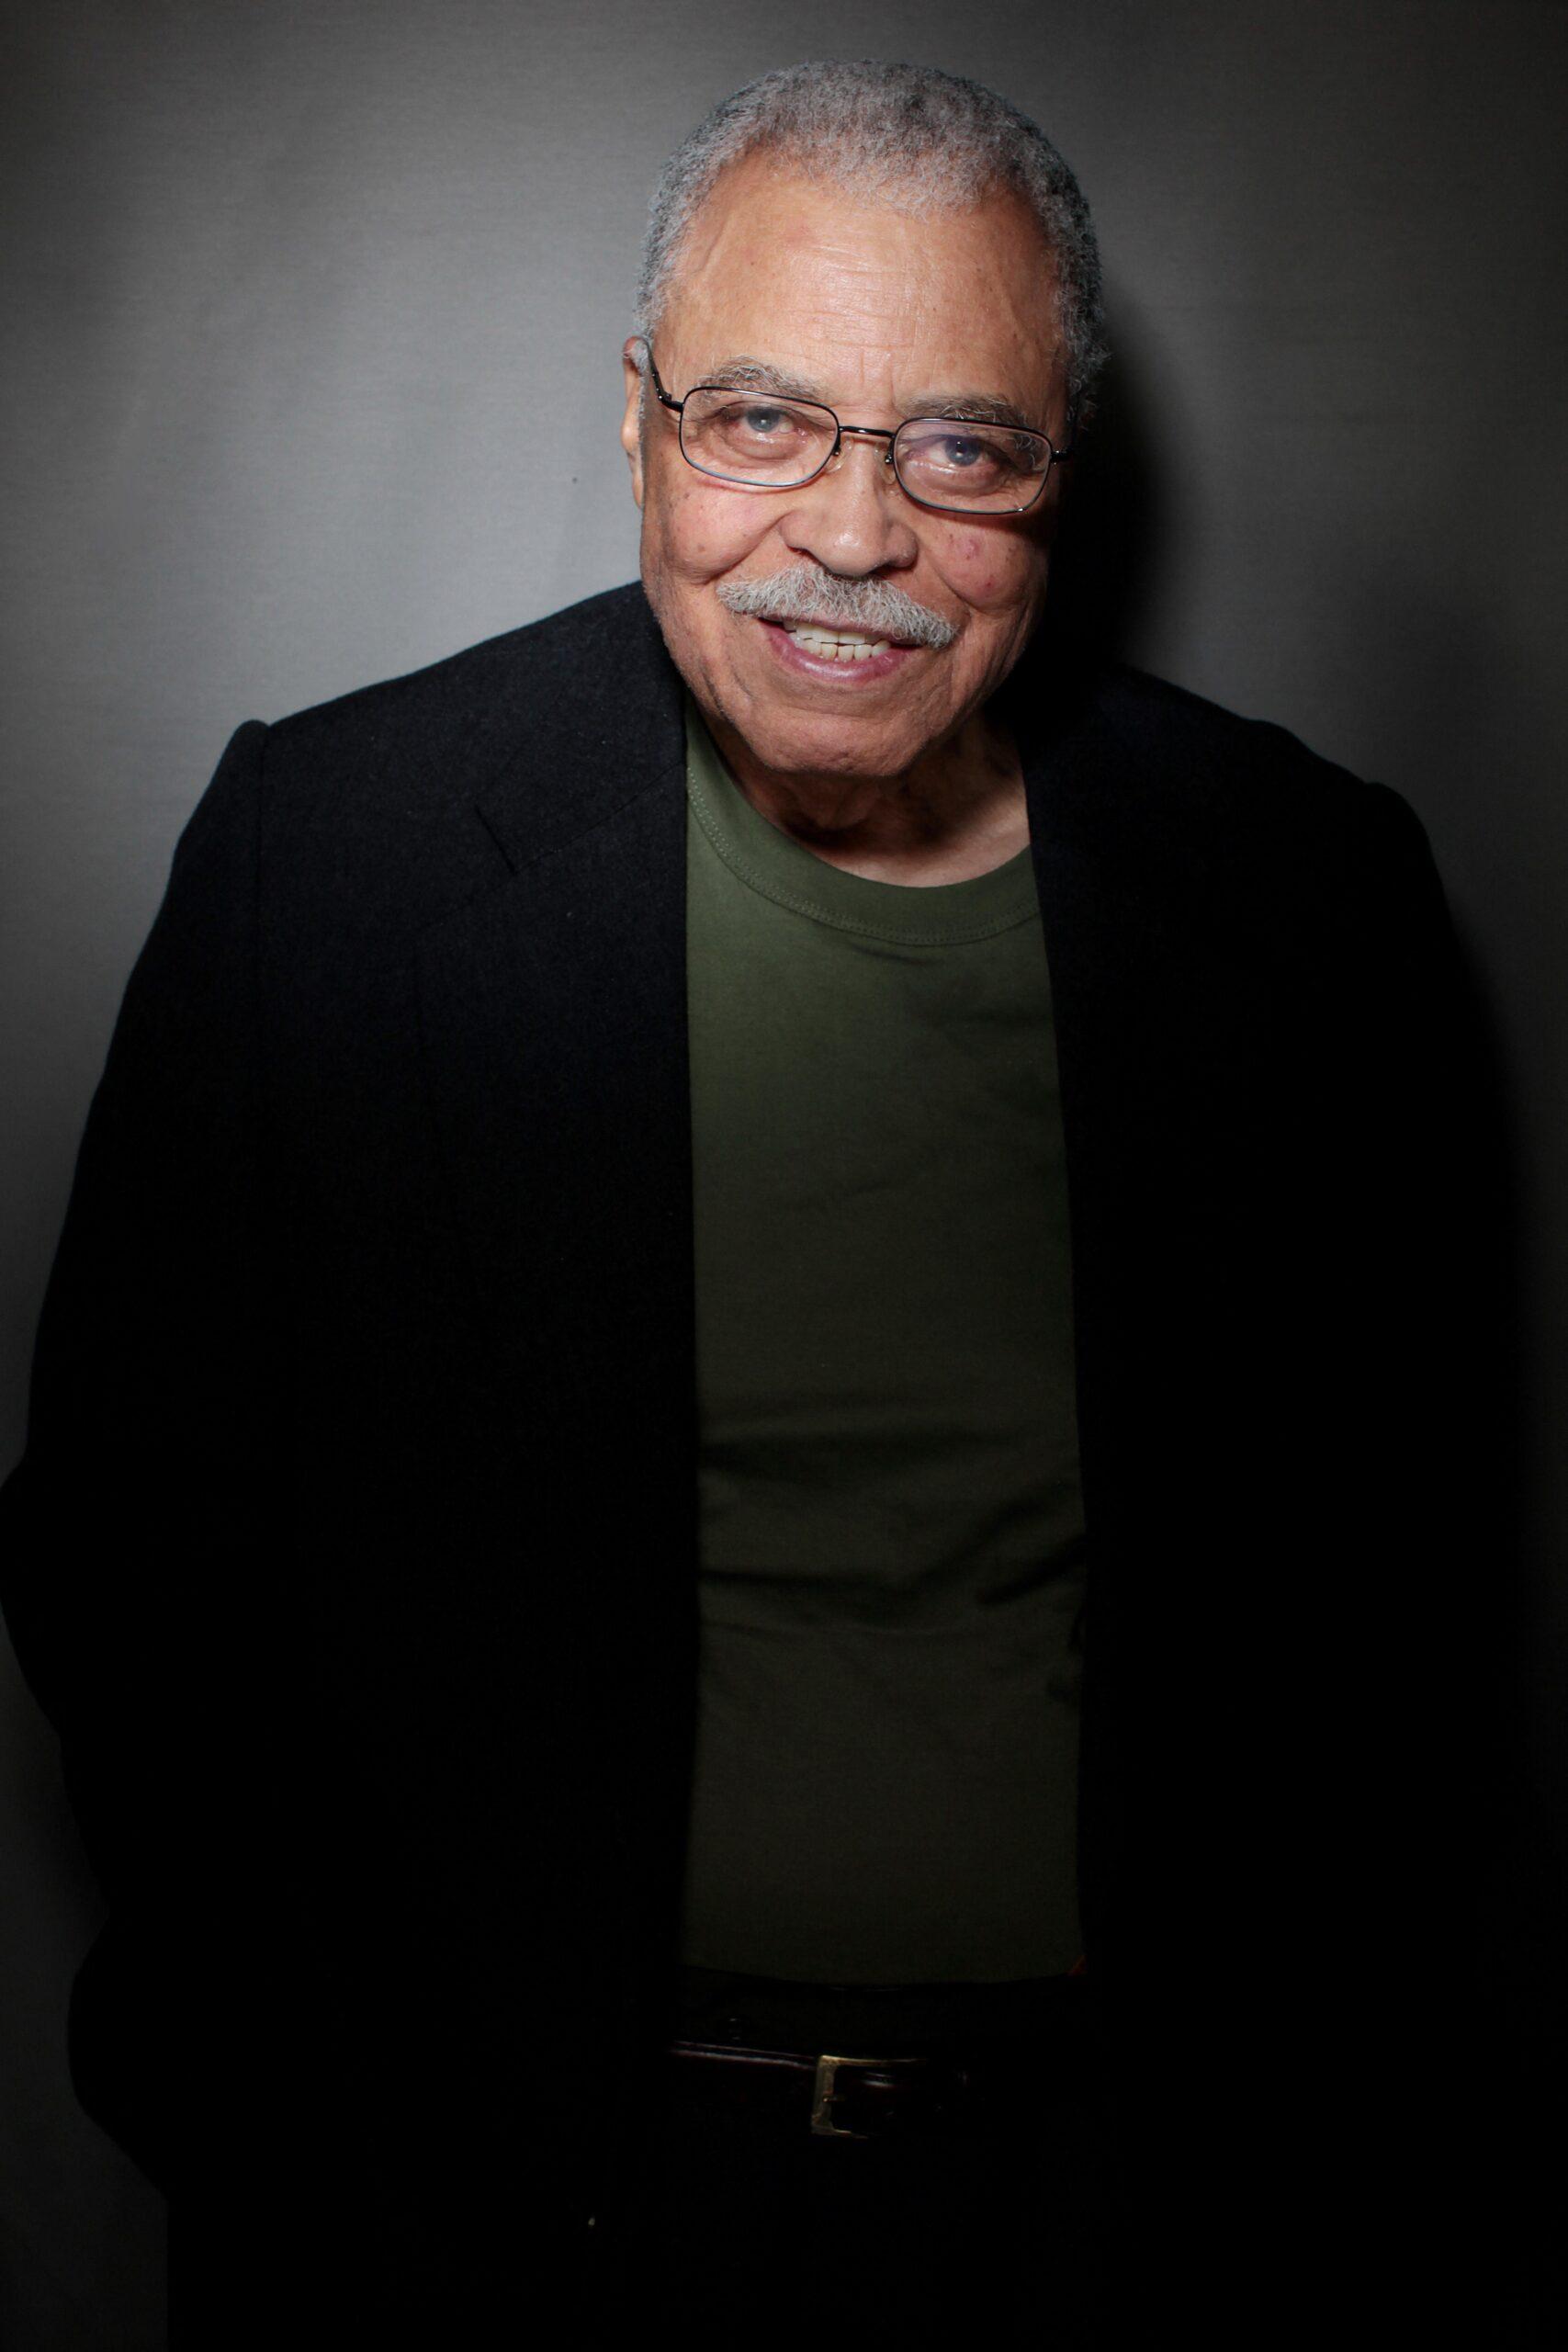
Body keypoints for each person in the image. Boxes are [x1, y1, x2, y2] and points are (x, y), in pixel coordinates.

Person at [1, 59, 1492, 2343]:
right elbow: (131, 1557)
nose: (852, 533)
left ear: (1050, 486)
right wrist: (303, 2112)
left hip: (1126, 2222)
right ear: (637, 425)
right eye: (761, 419)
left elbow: (1388, 1614)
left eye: (957, 448)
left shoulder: (1304, 902)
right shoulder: (333, 857)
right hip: (487, 2221)